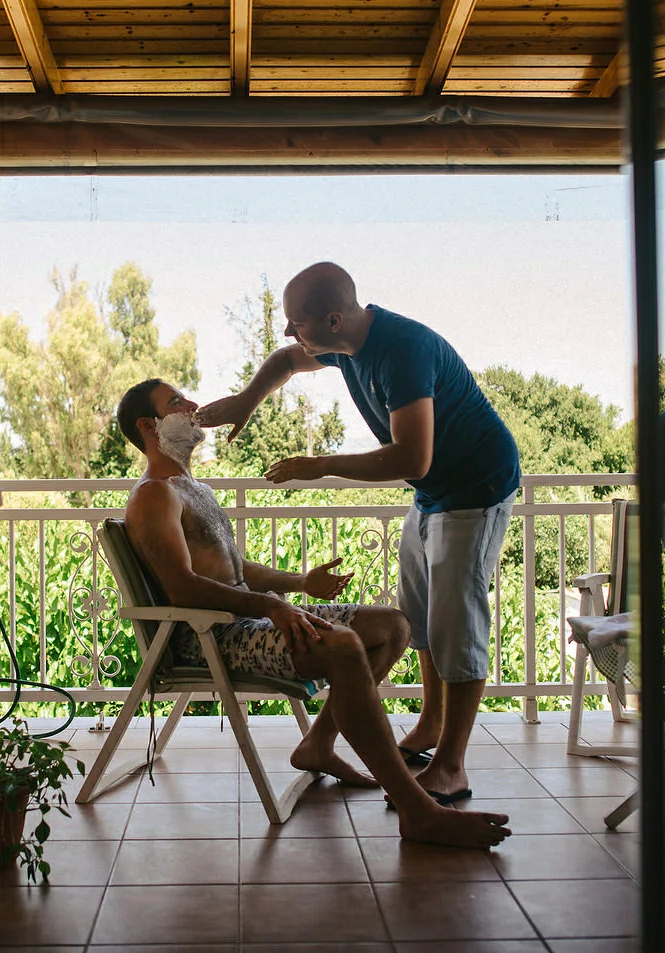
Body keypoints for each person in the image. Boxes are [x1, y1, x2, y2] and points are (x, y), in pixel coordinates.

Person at [115, 377, 513, 849]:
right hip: (209, 638)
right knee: (342, 646)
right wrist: (272, 606)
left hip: (245, 623)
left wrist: (300, 583)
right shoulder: (154, 495)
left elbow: (234, 570)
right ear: (148, 426)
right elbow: (182, 587)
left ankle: (319, 743)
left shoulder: (190, 487)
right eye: (176, 402)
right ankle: (417, 811)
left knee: (392, 625)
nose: (193, 405)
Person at [197, 261, 522, 805]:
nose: (288, 331)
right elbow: (285, 360)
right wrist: (245, 401)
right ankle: (431, 724)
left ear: (333, 319)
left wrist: (319, 466)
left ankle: (451, 765)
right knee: (419, 614)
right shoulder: (343, 344)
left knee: (456, 622)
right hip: (433, 494)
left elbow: (413, 459)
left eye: (297, 322)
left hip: (475, 488)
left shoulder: (402, 351)